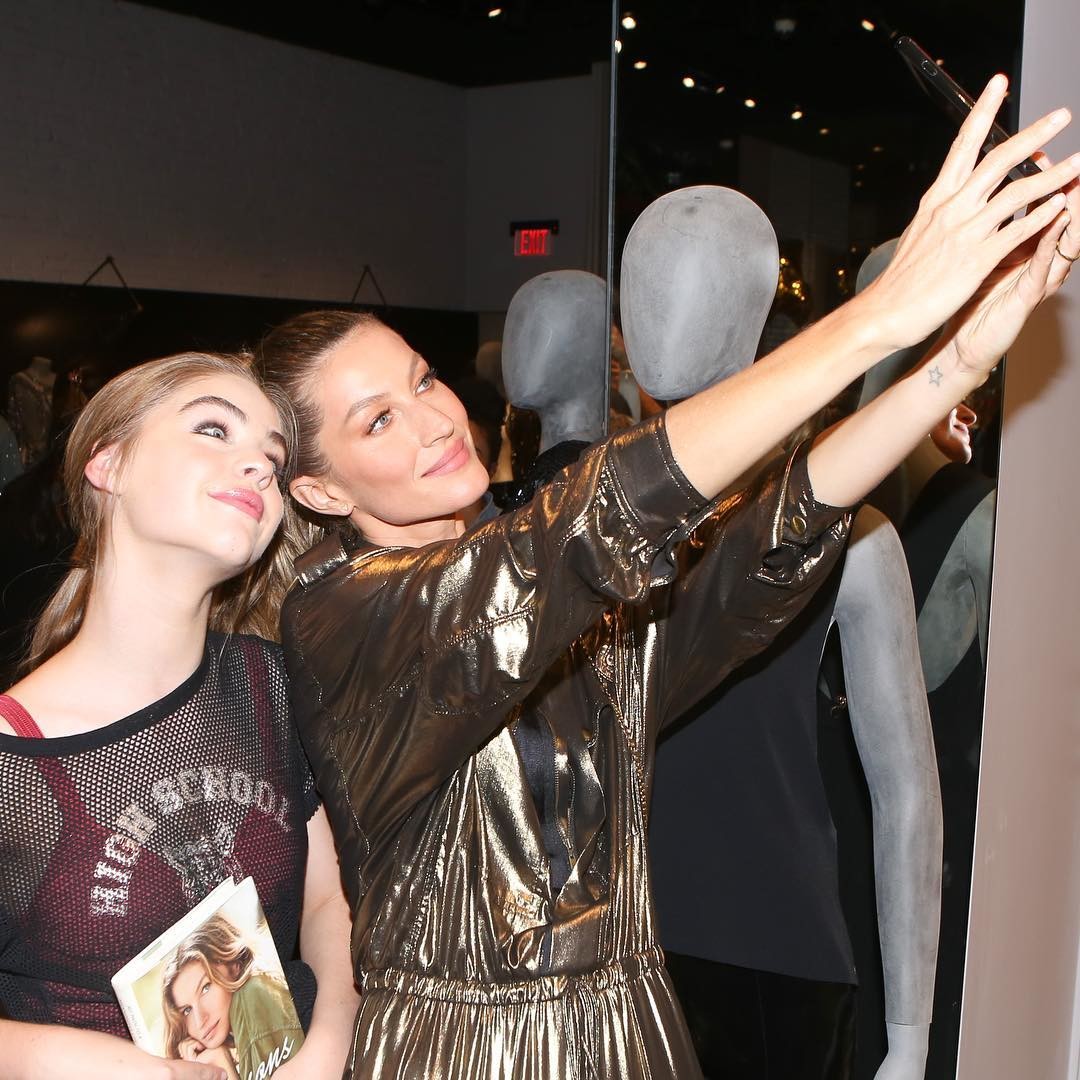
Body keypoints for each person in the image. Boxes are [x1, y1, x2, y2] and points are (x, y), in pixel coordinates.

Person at [256, 81, 1079, 1079]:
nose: (433, 419)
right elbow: (590, 525)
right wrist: (878, 319)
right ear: (318, 488)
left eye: (423, 379)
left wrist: (955, 363)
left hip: (632, 1028)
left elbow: (751, 560)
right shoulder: (344, 617)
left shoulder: (534, 572)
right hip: (466, 1054)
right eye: (378, 420)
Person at [0, 351, 359, 1080]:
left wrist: (327, 1044)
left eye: (273, 458)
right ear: (109, 464)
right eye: (214, 430)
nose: (258, 467)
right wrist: (93, 1063)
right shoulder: (12, 760)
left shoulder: (272, 686)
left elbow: (329, 901)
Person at [162, 914, 303, 1079]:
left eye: (205, 988)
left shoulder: (250, 996)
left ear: (235, 964)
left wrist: (223, 1067)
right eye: (187, 1010)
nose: (200, 1021)